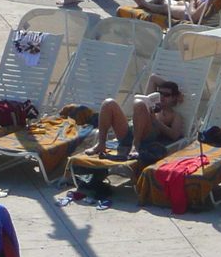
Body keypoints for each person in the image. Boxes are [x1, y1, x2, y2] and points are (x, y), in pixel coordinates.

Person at [73, 76, 186, 204]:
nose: (162, 96)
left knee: (139, 104)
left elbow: (174, 135)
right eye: (160, 93)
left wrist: (155, 121)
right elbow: (153, 78)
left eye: (166, 95)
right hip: (128, 132)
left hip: (146, 134)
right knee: (108, 103)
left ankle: (135, 144)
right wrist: (169, 90)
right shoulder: (151, 101)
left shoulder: (175, 116)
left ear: (174, 98)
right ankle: (101, 144)